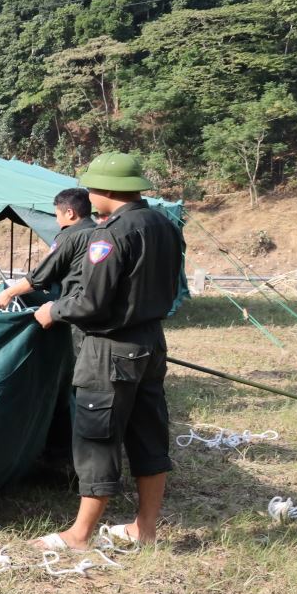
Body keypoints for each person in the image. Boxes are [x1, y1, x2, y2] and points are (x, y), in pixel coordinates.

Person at [32, 152, 183, 549]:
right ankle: (145, 528)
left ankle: (79, 535)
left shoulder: (110, 233)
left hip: (110, 349)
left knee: (96, 434)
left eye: (92, 187)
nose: (88, 195)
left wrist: (54, 309)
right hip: (151, 342)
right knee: (150, 433)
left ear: (109, 190)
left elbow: (92, 303)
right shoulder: (163, 224)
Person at [0, 188, 97, 313]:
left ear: (69, 213)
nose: (57, 220)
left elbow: (42, 275)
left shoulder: (70, 236)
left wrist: (8, 293)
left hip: (74, 309)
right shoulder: (101, 233)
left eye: (57, 215)